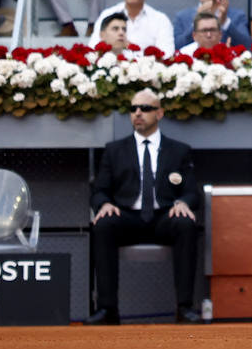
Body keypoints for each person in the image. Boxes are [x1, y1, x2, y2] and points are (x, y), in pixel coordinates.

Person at [86, 89, 201, 326]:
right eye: (133, 109)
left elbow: (192, 191)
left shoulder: (179, 150)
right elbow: (99, 190)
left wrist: (183, 203)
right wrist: (104, 204)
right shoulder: (114, 150)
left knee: (185, 223)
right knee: (103, 224)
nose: (138, 113)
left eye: (145, 108)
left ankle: (185, 308)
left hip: (164, 215)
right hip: (127, 215)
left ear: (159, 113)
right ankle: (107, 309)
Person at [89, 0, 176, 54]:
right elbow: (93, 49)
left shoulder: (160, 20)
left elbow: (166, 54)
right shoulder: (107, 14)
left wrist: (134, 51)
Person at [173, 0, 251, 49]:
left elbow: (247, 46)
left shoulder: (237, 16)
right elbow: (176, 47)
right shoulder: (182, 16)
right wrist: (196, 22)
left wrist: (225, 22)